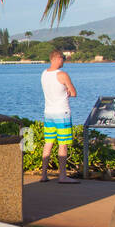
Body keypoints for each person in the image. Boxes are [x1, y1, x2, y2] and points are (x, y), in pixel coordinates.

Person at [40, 50, 78, 182]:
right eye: (63, 58)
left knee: (48, 143)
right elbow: (73, 93)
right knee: (63, 144)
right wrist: (67, 90)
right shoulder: (62, 75)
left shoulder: (44, 74)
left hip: (48, 112)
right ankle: (62, 176)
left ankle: (44, 174)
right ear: (56, 59)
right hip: (62, 113)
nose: (64, 61)